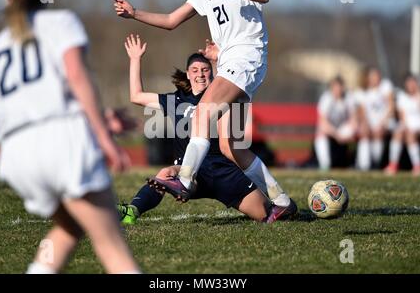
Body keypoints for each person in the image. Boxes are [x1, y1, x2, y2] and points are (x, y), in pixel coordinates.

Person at [0, 0, 140, 274]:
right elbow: (77, 77)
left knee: (69, 228)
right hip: (60, 143)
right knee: (111, 245)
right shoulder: (61, 22)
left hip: (17, 156)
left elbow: (19, 107)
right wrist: (105, 138)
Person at [113, 0, 293, 214]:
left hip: (246, 57)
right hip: (232, 62)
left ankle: (185, 180)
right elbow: (170, 20)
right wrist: (134, 13)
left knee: (202, 114)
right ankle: (281, 201)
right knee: (232, 148)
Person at [119, 34, 297, 224]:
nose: (200, 74)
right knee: (165, 173)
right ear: (188, 74)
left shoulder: (223, 98)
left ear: (212, 73)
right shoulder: (176, 100)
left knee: (266, 215)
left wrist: (219, 60)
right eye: (195, 70)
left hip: (224, 172)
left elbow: (233, 127)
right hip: (190, 172)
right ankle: (132, 211)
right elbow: (136, 96)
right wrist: (135, 59)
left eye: (204, 69)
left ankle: (286, 205)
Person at [354, 67, 395, 170]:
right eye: (372, 76)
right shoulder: (362, 91)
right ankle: (364, 166)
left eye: (377, 75)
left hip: (385, 121)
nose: (375, 78)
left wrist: (382, 122)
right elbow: (362, 112)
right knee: (365, 132)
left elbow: (391, 106)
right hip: (370, 122)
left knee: (378, 133)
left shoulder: (385, 85)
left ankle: (376, 163)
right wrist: (365, 123)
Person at [314, 77, 357, 170]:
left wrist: (349, 132)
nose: (337, 90)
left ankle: (362, 166)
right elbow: (322, 121)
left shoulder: (348, 97)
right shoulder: (326, 98)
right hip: (331, 130)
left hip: (343, 129)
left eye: (339, 87)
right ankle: (325, 165)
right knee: (321, 132)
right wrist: (337, 135)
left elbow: (353, 119)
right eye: (335, 88)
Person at [385, 74, 420, 176]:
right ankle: (393, 164)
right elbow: (402, 115)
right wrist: (407, 127)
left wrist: (418, 92)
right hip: (407, 125)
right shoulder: (402, 97)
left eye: (413, 83)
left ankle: (417, 166)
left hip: (419, 126)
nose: (411, 86)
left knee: (410, 135)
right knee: (398, 133)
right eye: (409, 83)